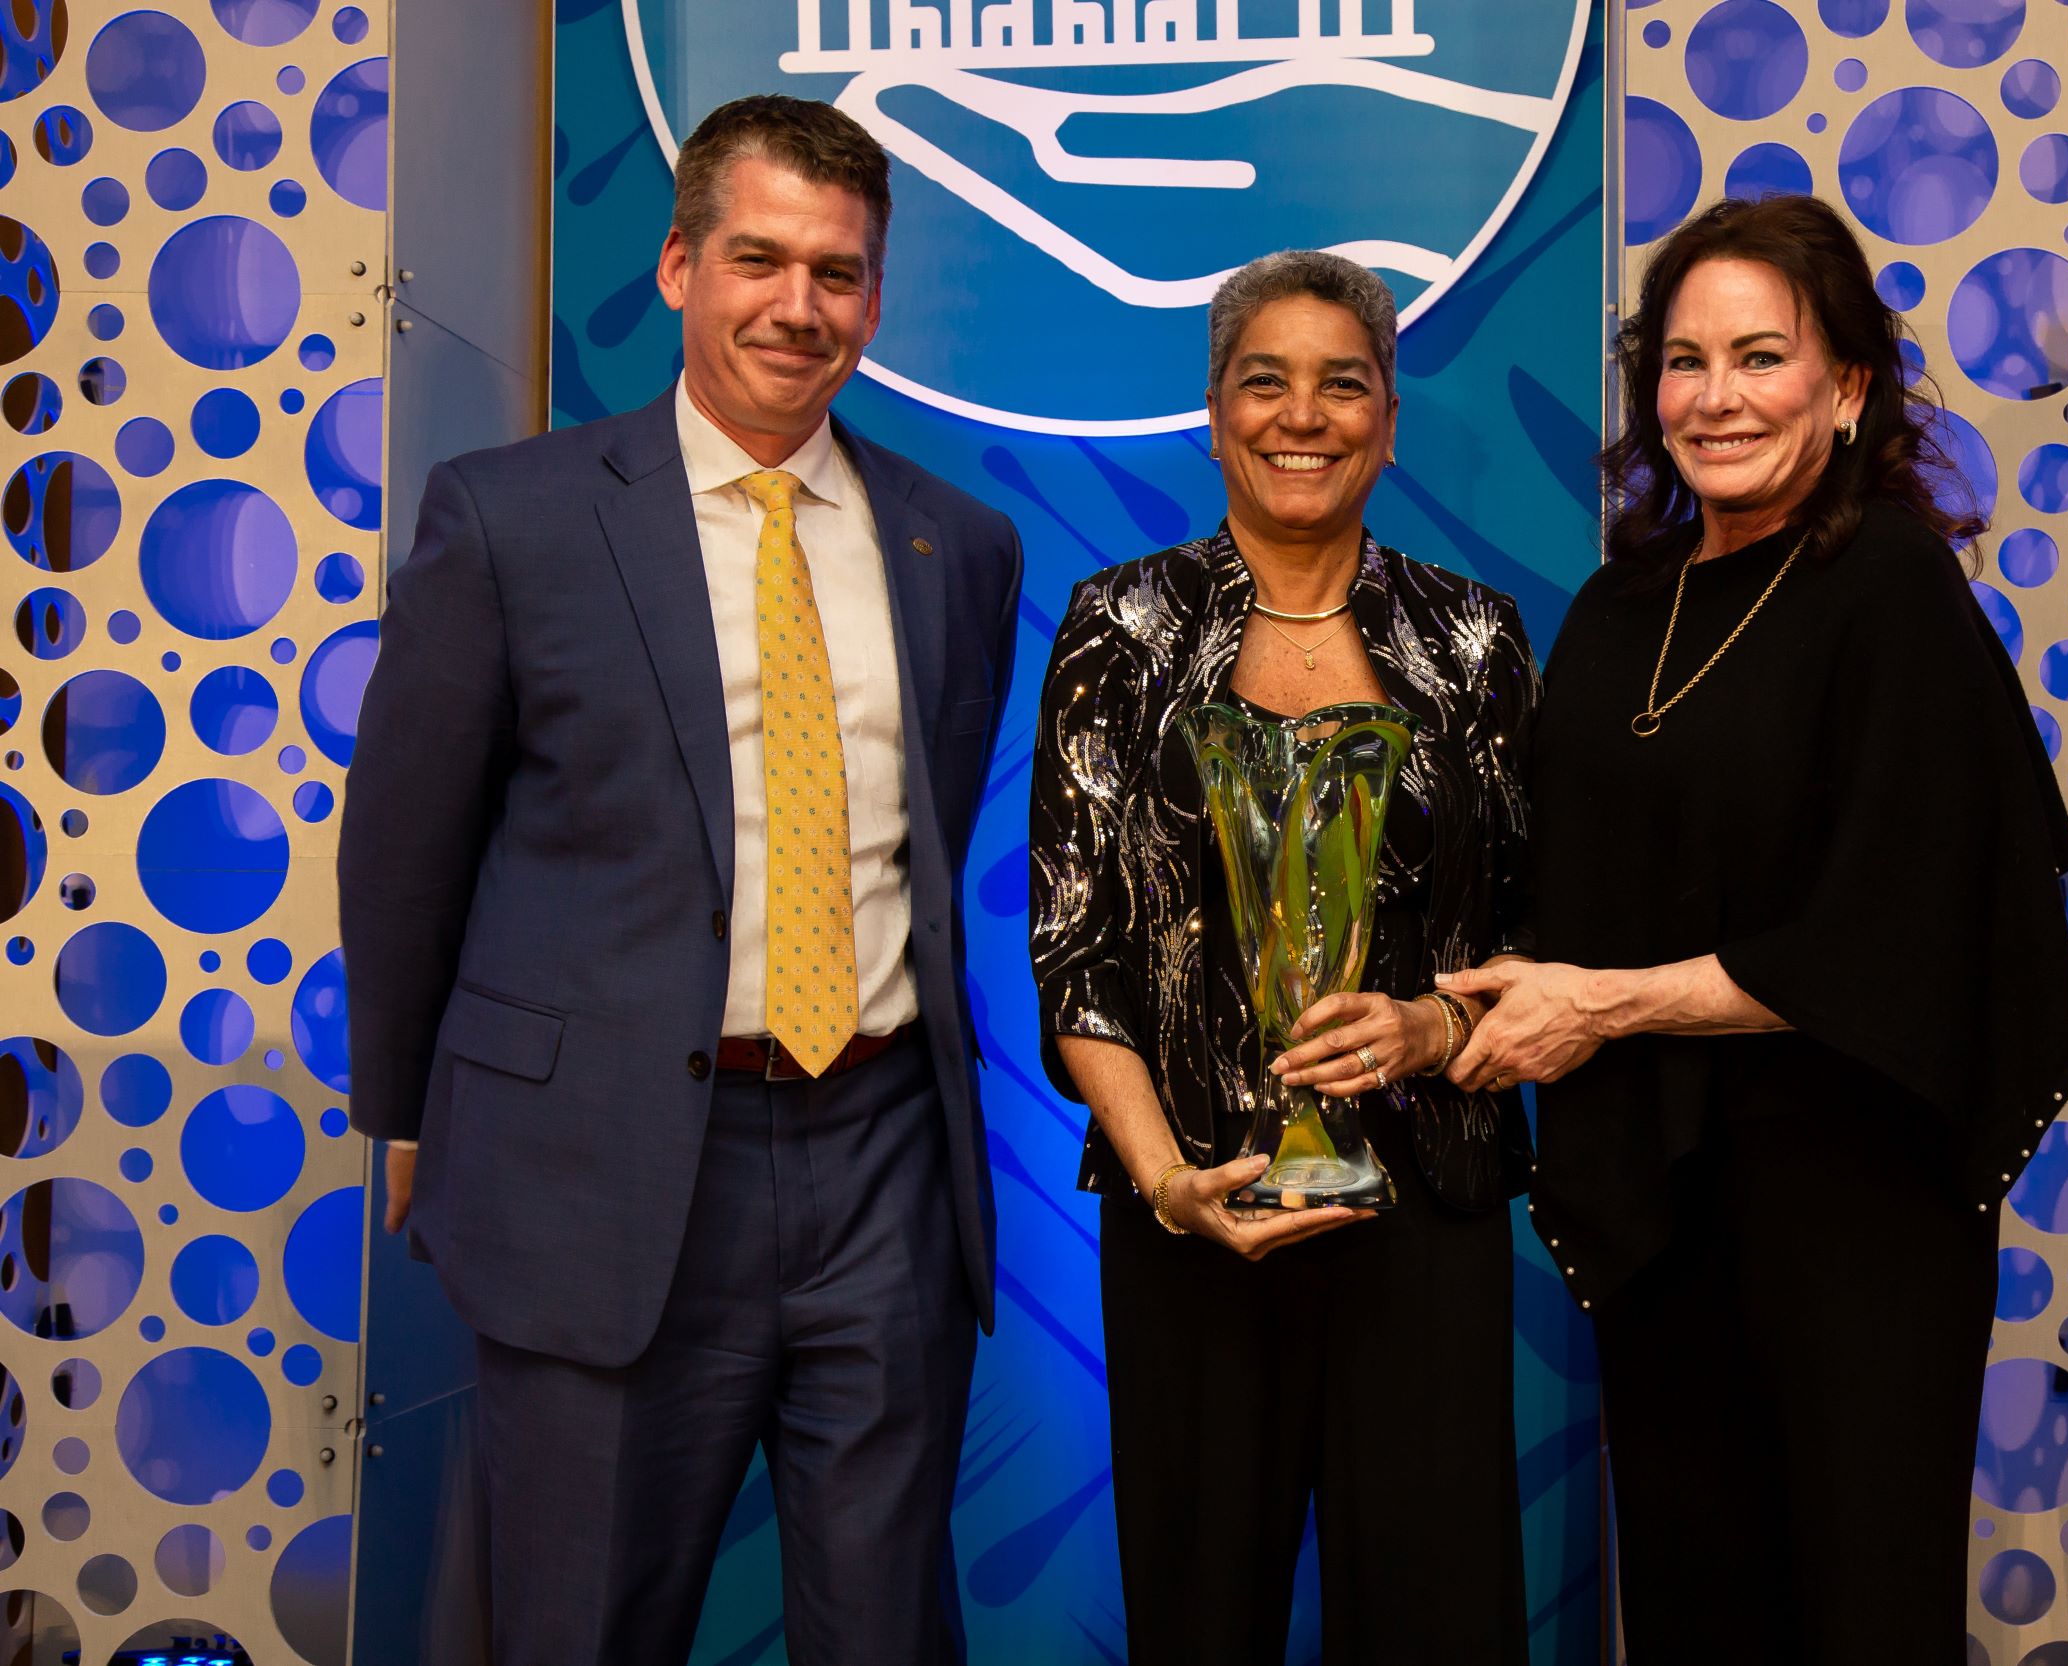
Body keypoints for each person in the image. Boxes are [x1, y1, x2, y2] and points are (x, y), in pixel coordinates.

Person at [340, 95, 1022, 1665]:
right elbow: (404, 838)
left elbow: (924, 836)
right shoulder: (511, 518)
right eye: (760, 260)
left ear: (876, 292)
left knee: (886, 1636)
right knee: (576, 1627)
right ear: (676, 268)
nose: (800, 307)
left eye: (839, 273)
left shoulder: (957, 544)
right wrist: (407, 1107)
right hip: (605, 1169)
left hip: (882, 1168)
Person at [1441, 194, 2068, 1661]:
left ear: (1847, 385)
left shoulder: (1892, 588)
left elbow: (1901, 921)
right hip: (1666, 1202)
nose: (1715, 397)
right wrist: (1460, 1007)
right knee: (1691, 1602)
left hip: (1856, 1205)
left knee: (1859, 1603)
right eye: (1683, 360)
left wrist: (1605, 1007)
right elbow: (1565, 894)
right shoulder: (1617, 608)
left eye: (1759, 355)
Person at [1030, 250, 1536, 1665]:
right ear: (1212, 414)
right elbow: (1076, 948)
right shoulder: (1118, 631)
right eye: (1266, 382)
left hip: (1426, 1216)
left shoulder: (1474, 639)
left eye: (1341, 383)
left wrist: (1435, 1030)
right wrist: (1163, 1179)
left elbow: (1532, 937)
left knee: (1441, 1624)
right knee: (1200, 1620)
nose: (1300, 416)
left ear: (1388, 418)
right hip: (1193, 1211)